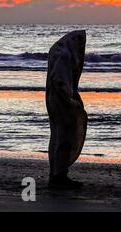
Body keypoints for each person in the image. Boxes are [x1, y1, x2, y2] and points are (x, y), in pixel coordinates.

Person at [46, 30, 88, 189]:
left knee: (57, 136)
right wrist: (70, 99)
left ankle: (56, 173)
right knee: (64, 137)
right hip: (62, 102)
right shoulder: (64, 56)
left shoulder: (58, 51)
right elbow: (59, 80)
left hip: (55, 100)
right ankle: (59, 176)